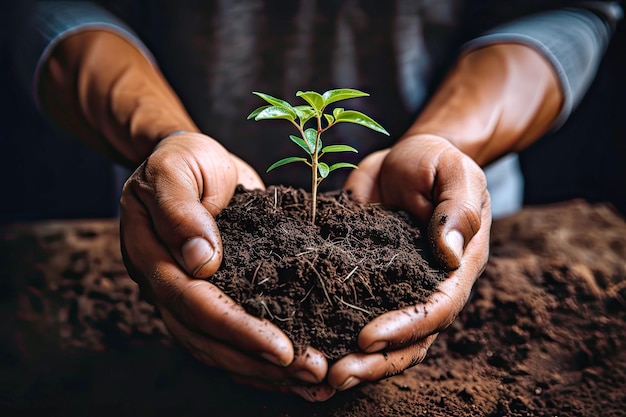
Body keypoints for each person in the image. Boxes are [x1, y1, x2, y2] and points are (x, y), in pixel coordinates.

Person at [5, 0, 622, 402]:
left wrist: (446, 143)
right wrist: (166, 140)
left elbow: (566, 11)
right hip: (188, 206)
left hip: (442, 219)